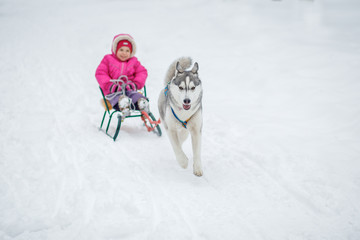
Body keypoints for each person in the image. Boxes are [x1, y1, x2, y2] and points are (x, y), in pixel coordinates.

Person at [95, 33, 149, 115]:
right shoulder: (108, 60)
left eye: (127, 51)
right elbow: (100, 73)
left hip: (129, 89)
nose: (124, 53)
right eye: (121, 50)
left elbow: (142, 72)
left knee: (134, 95)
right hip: (113, 92)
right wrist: (110, 85)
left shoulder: (134, 62)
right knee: (116, 98)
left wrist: (135, 84)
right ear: (115, 50)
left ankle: (141, 103)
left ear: (131, 52)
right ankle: (123, 105)